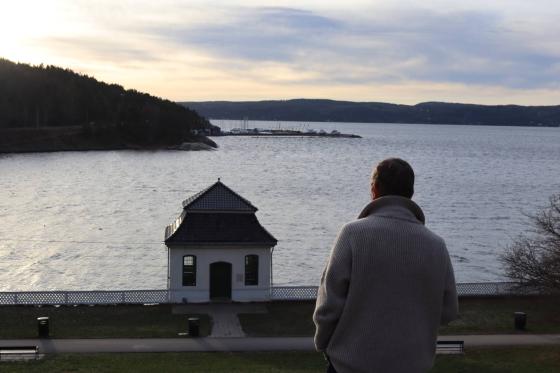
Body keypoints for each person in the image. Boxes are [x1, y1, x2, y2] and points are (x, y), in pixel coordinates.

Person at [313, 158, 458, 373]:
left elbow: (328, 307)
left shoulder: (353, 235)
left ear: (374, 189)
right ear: (411, 192)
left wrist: (323, 344)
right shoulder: (436, 245)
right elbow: (448, 311)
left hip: (350, 365)